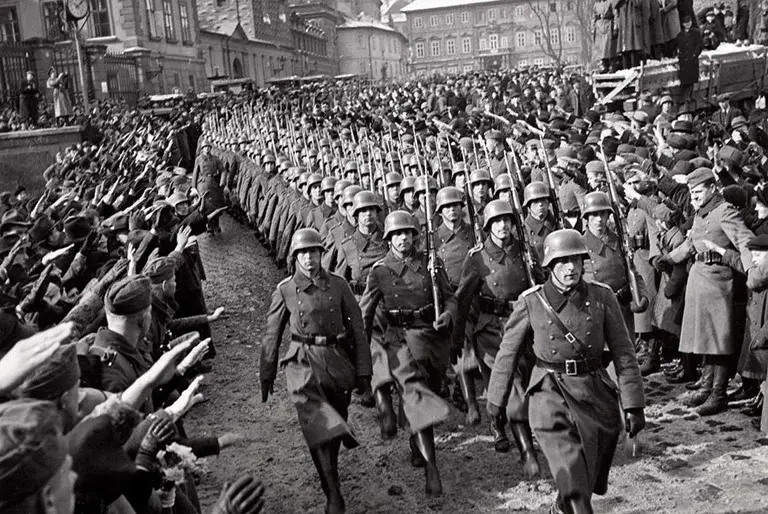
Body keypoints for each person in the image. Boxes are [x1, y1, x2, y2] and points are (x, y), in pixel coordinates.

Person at [487, 229, 646, 514]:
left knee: (592, 469)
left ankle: (563, 504)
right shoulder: (532, 302)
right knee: (573, 476)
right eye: (562, 262)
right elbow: (507, 353)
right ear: (549, 266)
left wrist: (634, 404)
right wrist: (496, 401)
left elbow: (624, 353)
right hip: (550, 393)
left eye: (576, 260)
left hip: (595, 390)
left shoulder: (603, 297)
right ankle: (571, 501)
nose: (571, 267)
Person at [260, 228, 371, 514]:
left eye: (314, 252)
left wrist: (363, 370)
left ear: (322, 254)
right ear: (295, 256)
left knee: (334, 424)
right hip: (302, 365)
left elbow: (358, 329)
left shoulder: (339, 285)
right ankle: (333, 493)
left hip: (337, 360)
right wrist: (267, 372)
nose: (309, 258)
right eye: (303, 253)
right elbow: (272, 333)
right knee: (318, 427)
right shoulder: (285, 289)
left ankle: (330, 469)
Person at [359, 210, 456, 497]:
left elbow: (449, 296)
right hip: (399, 343)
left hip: (432, 338)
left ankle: (416, 441)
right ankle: (432, 469)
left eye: (407, 233)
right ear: (388, 239)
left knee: (433, 391)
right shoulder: (380, 271)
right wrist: (364, 357)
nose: (403, 238)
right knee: (418, 398)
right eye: (397, 234)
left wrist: (448, 314)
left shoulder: (430, 262)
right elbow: (365, 314)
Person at [455, 200, 542, 478]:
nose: (503, 226)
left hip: (526, 325)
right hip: (492, 330)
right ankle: (526, 449)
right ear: (488, 226)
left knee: (526, 381)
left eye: (507, 220)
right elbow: (463, 298)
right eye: (497, 222)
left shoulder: (525, 251)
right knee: (512, 385)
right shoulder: (477, 257)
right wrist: (458, 338)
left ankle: (500, 418)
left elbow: (541, 284)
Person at [660, 167, 754, 416]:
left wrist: (753, 269)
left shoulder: (725, 212)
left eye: (699, 192)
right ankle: (706, 386)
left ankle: (718, 394)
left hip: (718, 283)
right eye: (691, 193)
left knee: (718, 340)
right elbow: (690, 245)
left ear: (713, 188)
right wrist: (668, 258)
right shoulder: (703, 214)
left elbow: (746, 242)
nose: (694, 198)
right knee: (705, 338)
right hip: (699, 280)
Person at [677, 14, 702, 109]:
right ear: (683, 24)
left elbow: (699, 45)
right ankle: (686, 97)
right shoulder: (680, 35)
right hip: (683, 61)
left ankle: (687, 98)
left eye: (689, 22)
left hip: (692, 60)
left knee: (691, 80)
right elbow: (678, 46)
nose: (688, 24)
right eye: (686, 23)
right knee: (684, 80)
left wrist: (695, 55)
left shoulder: (696, 33)